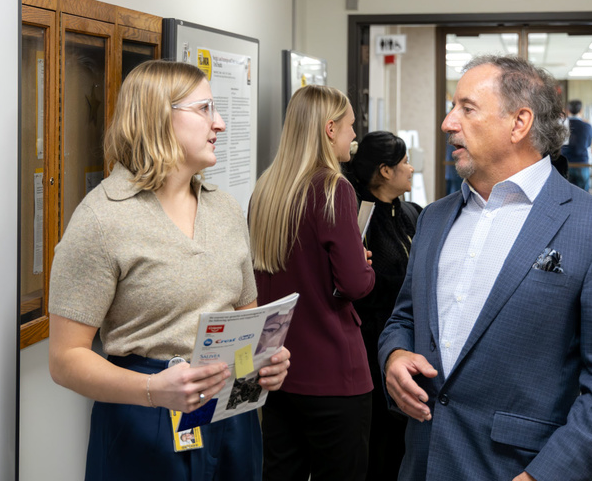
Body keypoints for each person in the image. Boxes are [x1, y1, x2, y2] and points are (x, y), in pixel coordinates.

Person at [48, 60, 291, 480]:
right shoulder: (102, 219)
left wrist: (265, 360)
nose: (220, 124)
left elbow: (247, 320)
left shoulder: (226, 210)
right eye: (205, 109)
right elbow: (65, 359)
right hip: (143, 418)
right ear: (160, 116)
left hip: (230, 417)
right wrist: (151, 391)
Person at [378, 55, 592, 481]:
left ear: (519, 123)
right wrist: (394, 356)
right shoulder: (432, 217)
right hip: (421, 461)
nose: (448, 122)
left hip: (513, 468)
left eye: (466, 108)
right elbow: (404, 317)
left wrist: (544, 476)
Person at [249, 85, 376, 481]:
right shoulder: (333, 188)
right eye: (351, 127)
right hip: (333, 370)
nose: (355, 136)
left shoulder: (266, 189)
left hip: (278, 370)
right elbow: (355, 285)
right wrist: (362, 264)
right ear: (329, 128)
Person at [344, 130, 421, 481]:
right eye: (404, 161)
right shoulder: (359, 220)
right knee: (377, 440)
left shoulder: (414, 213)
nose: (411, 168)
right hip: (370, 345)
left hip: (411, 344)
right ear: (386, 171)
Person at [561, 99, 592, 190]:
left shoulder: (563, 125)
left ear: (567, 110)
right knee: (584, 195)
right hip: (582, 164)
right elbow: (589, 144)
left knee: (566, 195)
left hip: (566, 163)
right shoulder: (587, 126)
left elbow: (558, 144)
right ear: (581, 110)